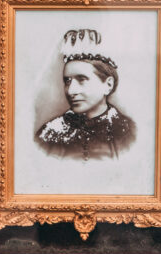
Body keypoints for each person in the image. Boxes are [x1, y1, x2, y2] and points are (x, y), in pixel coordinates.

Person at [36, 28, 135, 159]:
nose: (71, 91)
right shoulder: (49, 133)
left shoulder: (128, 132)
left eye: (81, 79)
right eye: (67, 81)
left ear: (108, 85)